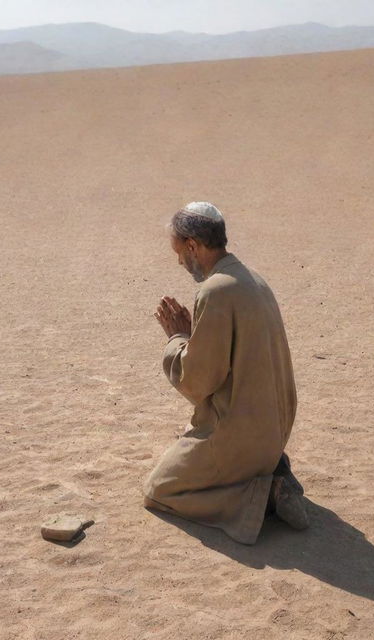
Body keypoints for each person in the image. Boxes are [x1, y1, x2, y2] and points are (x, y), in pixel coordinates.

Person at [144, 201, 308, 545]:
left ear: (193, 246)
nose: (178, 261)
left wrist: (176, 340)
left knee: (160, 489)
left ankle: (264, 497)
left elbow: (198, 382)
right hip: (275, 431)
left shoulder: (215, 290)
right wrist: (195, 337)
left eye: (178, 252)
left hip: (245, 438)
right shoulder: (252, 279)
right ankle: (272, 469)